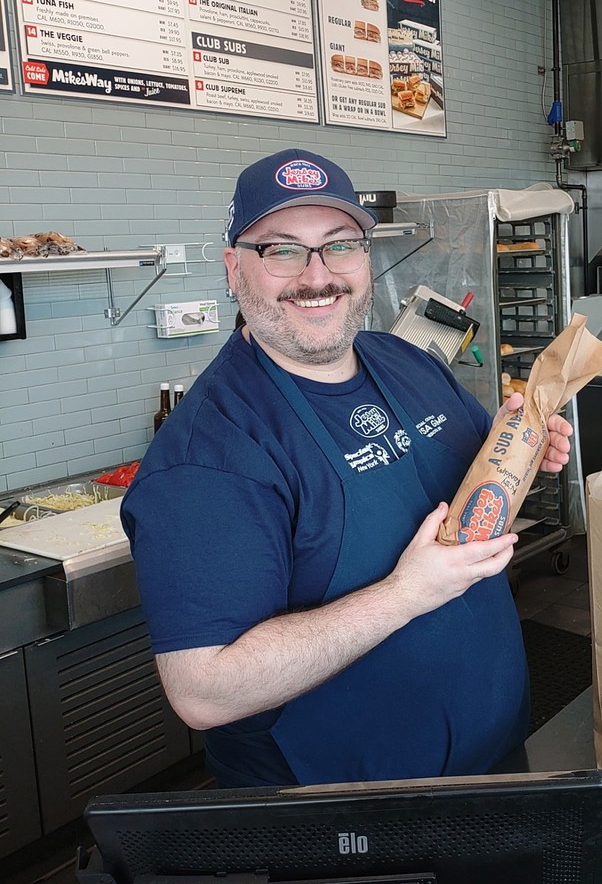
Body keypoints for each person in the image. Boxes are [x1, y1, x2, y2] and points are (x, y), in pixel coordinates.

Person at [121, 148, 574, 788]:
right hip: (349, 814)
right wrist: (403, 596)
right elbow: (204, 691)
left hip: (494, 759)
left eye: (340, 245)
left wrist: (529, 450)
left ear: (366, 257)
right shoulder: (211, 456)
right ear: (233, 268)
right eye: (281, 250)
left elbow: (477, 479)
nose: (318, 275)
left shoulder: (405, 361)